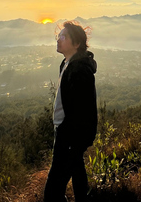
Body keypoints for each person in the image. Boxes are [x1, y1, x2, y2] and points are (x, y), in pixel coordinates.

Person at [43, 21, 98, 202]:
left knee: (53, 189)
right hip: (67, 132)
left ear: (76, 44)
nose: (58, 40)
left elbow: (81, 112)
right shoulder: (67, 64)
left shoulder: (79, 70)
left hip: (70, 135)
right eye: (58, 36)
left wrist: (71, 140)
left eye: (63, 37)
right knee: (76, 168)